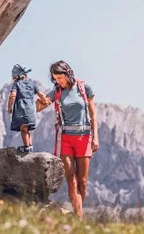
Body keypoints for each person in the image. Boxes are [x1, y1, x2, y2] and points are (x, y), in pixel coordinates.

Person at [37, 60, 99, 218]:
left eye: (60, 78)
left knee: (82, 182)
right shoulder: (56, 92)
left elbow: (93, 115)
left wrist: (95, 137)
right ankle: (79, 219)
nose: (58, 81)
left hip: (84, 138)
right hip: (65, 139)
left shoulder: (84, 88)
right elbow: (38, 107)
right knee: (71, 179)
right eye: (55, 79)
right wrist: (37, 99)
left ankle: (77, 213)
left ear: (67, 74)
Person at [7, 64, 49, 153]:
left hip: (21, 109)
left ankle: (26, 147)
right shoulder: (31, 83)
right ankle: (29, 146)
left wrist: (9, 107)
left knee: (23, 129)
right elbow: (40, 94)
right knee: (27, 129)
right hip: (31, 110)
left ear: (16, 76)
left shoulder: (17, 84)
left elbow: (12, 96)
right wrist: (44, 100)